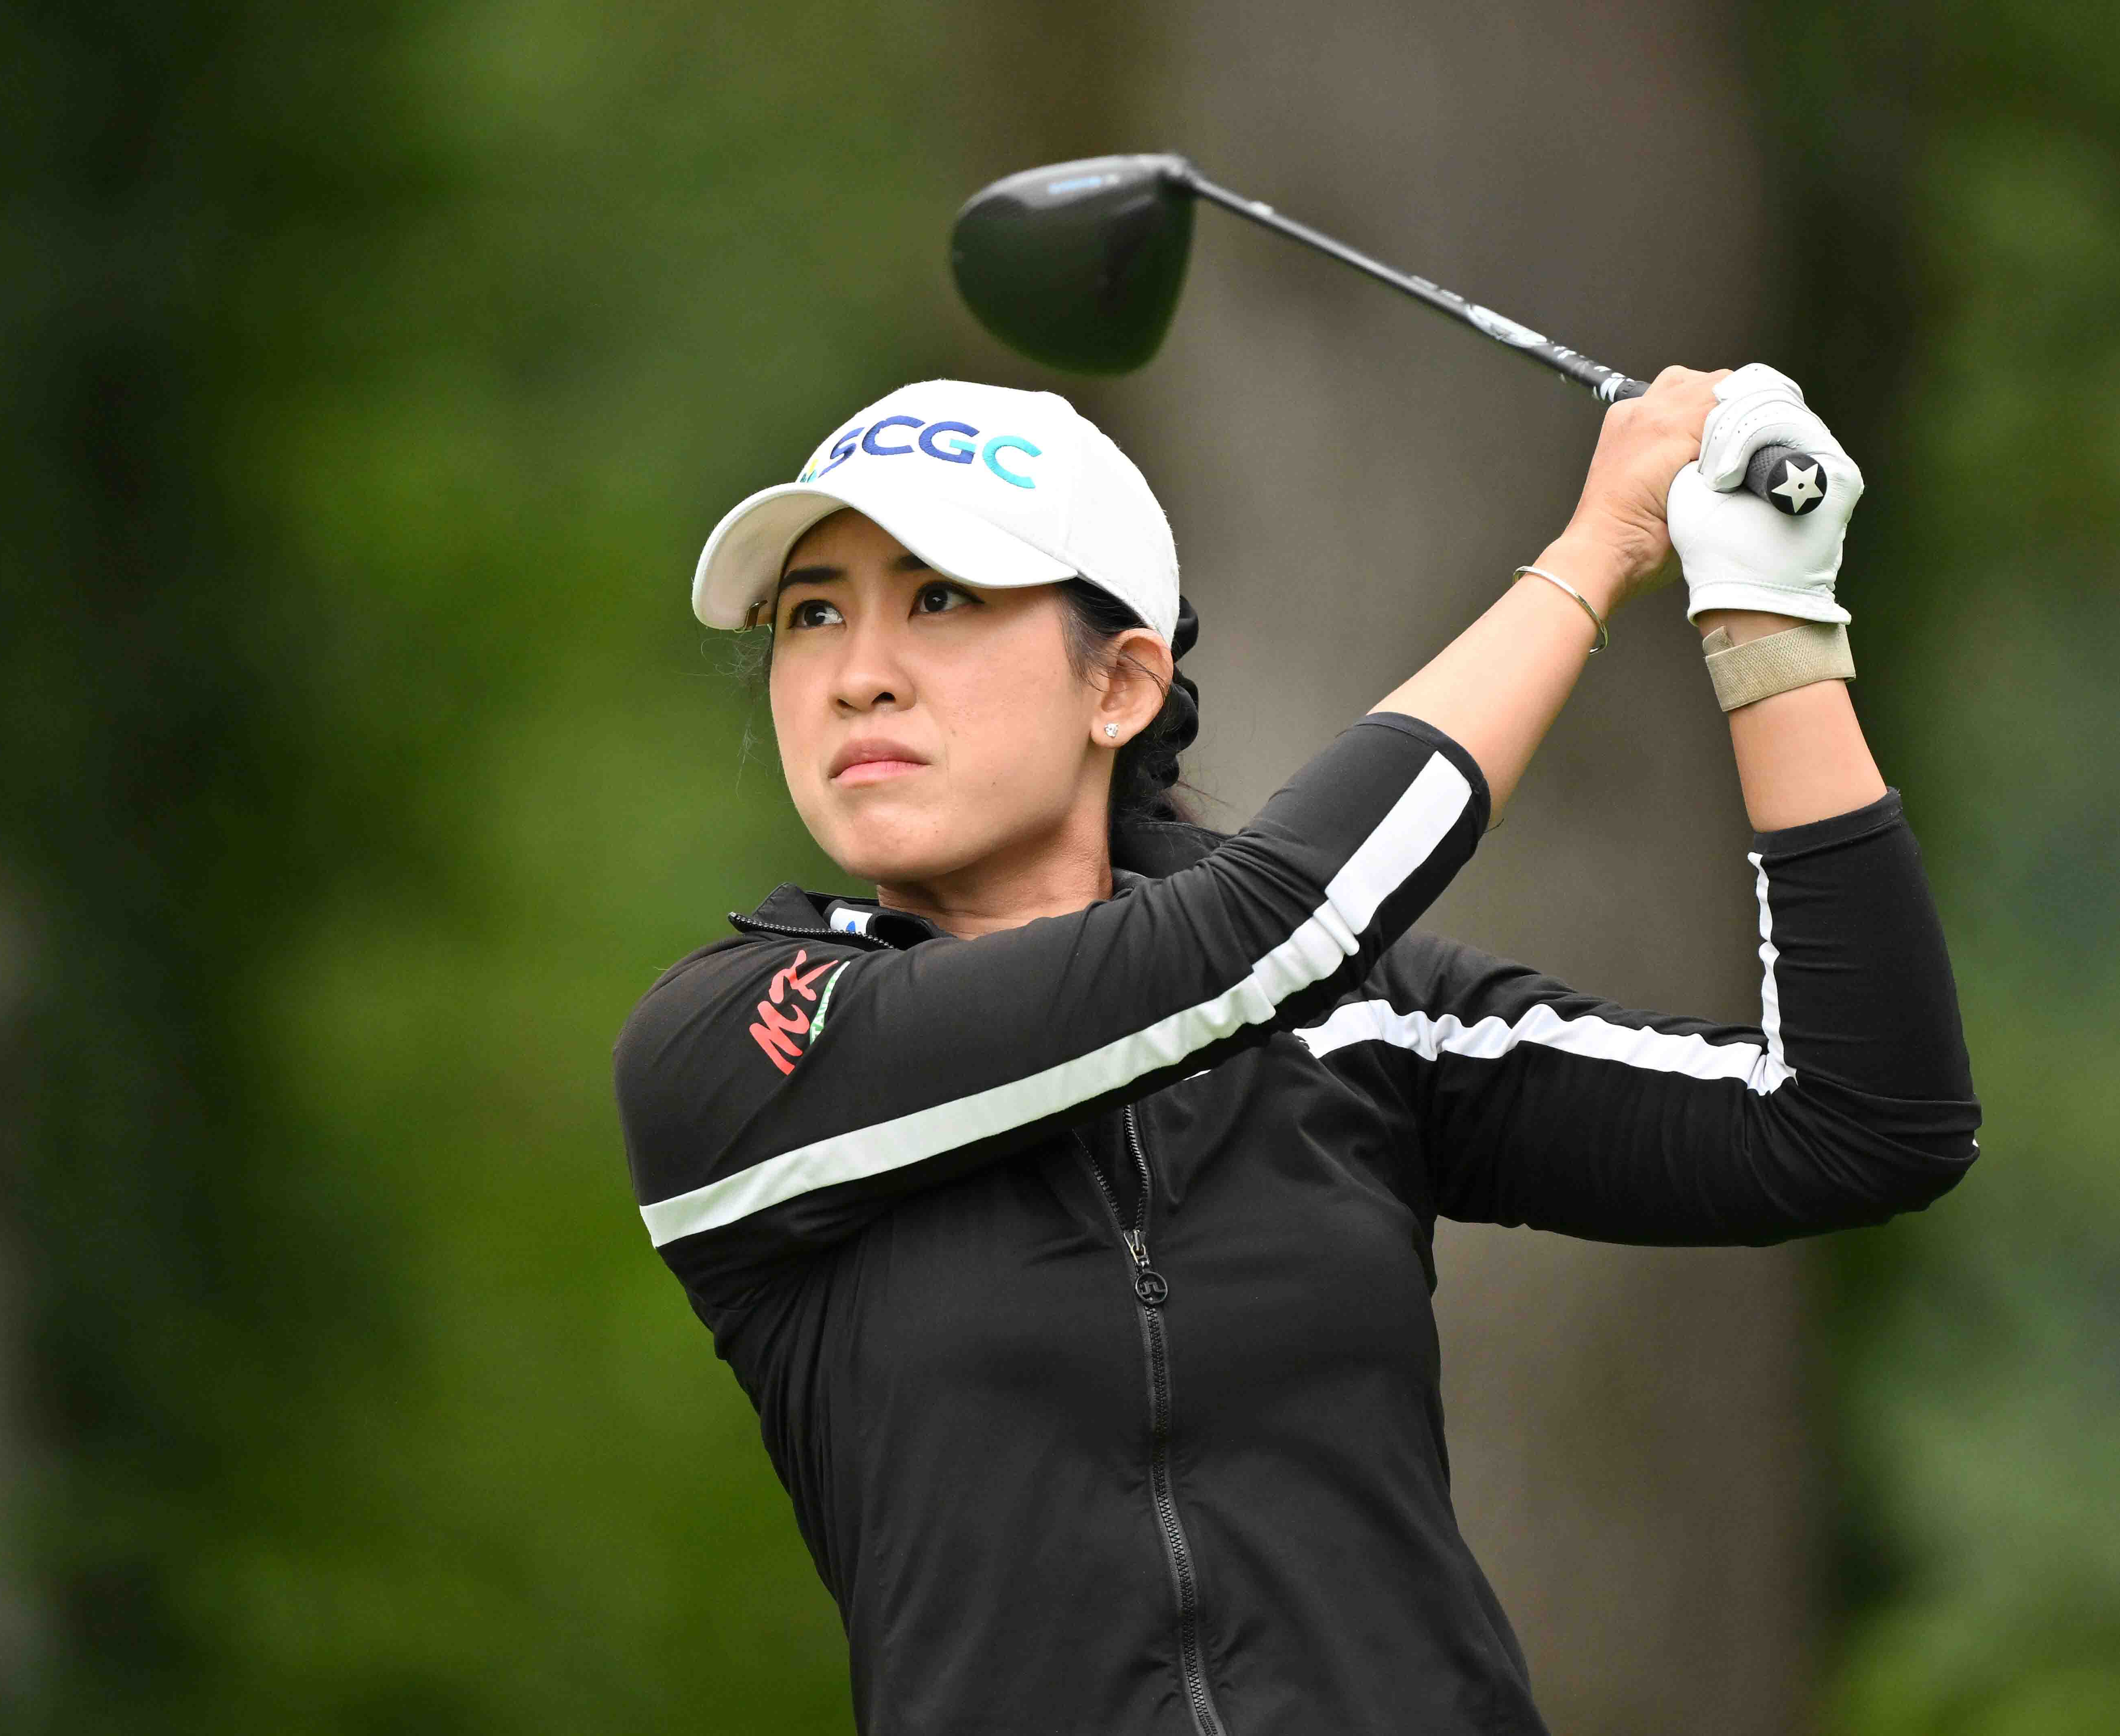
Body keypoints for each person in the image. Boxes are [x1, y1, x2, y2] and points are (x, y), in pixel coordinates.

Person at [612, 369, 1977, 1735]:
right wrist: (1593, 552)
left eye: (940, 599)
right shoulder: (741, 1048)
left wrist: (1768, 621)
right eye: (812, 615)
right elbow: (1254, 938)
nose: (857, 675)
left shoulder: (1354, 1020)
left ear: (1119, 686)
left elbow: (1854, 1124)